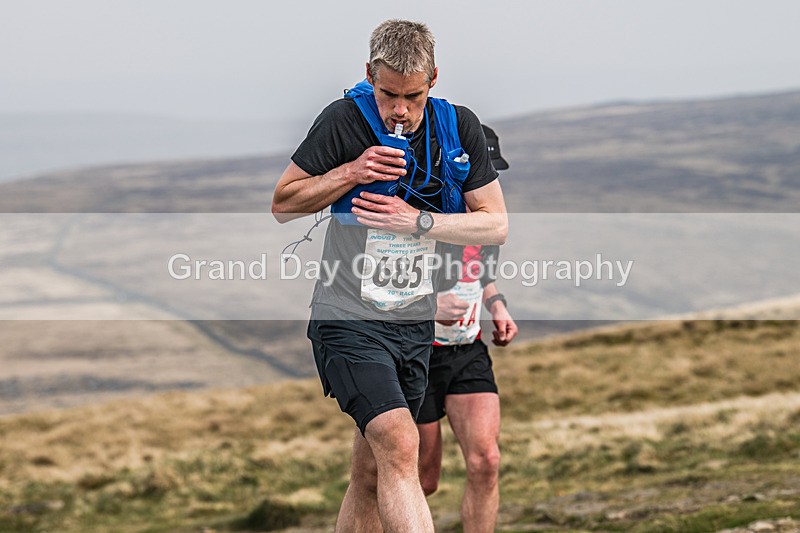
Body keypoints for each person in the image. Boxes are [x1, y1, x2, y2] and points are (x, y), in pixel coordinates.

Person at [271, 19, 508, 533]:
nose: (400, 110)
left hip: (414, 326)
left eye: (413, 96)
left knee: (369, 475)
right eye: (388, 94)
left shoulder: (459, 126)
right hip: (346, 317)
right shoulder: (342, 121)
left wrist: (417, 221)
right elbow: (283, 204)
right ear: (369, 75)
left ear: (433, 79)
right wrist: (352, 172)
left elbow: (496, 224)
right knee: (402, 444)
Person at [417, 125, 518, 533]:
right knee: (422, 480)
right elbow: (378, 287)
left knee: (486, 461)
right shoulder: (423, 214)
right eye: (485, 176)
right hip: (416, 353)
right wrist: (428, 309)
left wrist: (497, 305)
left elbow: (481, 273)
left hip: (467, 348)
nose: (491, 187)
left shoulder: (488, 221)